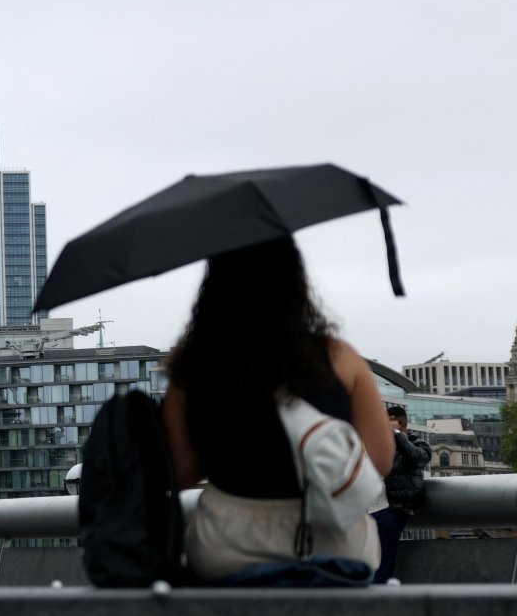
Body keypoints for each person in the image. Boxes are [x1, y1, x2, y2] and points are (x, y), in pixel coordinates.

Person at [161, 237, 395, 582]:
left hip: (227, 542)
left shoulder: (193, 365)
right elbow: (380, 460)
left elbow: (180, 471)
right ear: (296, 282)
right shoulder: (339, 357)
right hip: (333, 541)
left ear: (216, 287)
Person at [371, 404, 431, 583]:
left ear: (402, 424)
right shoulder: (376, 444)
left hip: (393, 508)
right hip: (368, 509)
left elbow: (418, 458)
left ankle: (376, 598)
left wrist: (397, 436)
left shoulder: (416, 443)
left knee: (382, 562)